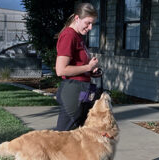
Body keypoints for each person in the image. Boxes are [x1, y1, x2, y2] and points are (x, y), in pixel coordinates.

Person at [55, 3, 102, 131]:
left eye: (92, 24)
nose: (90, 27)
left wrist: (91, 71)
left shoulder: (77, 36)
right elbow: (61, 70)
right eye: (88, 23)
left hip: (82, 92)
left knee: (79, 139)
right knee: (63, 138)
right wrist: (88, 67)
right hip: (73, 92)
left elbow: (77, 66)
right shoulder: (69, 36)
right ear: (77, 18)